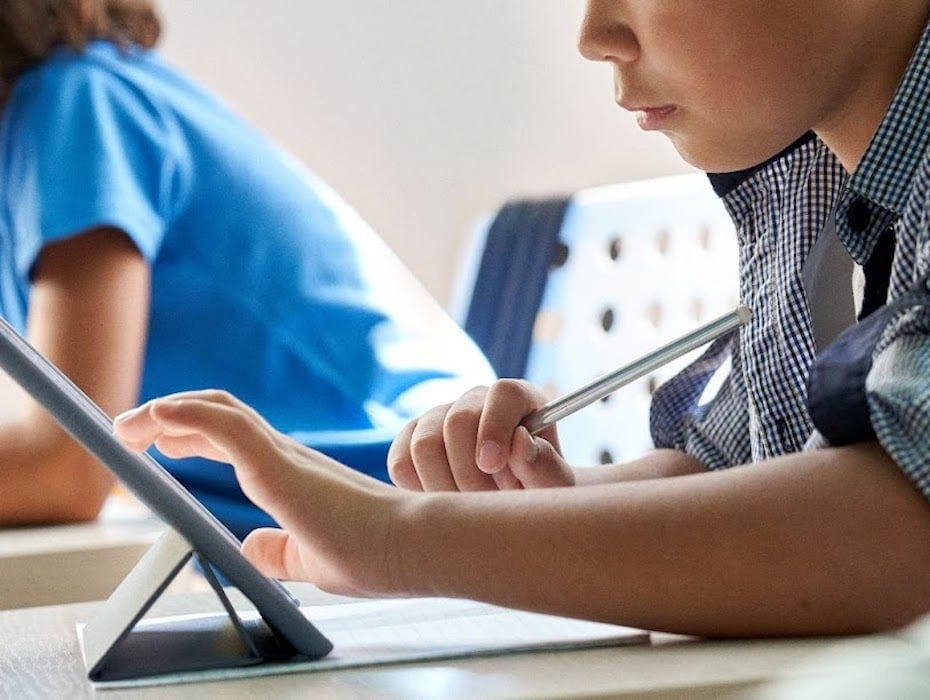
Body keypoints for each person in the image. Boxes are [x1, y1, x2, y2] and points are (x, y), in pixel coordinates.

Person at [114, 0, 930, 637]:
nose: (592, 33)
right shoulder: (799, 180)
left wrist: (405, 537)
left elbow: (894, 531)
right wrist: (541, 507)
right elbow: (734, 474)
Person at [0, 0, 495, 537]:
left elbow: (68, 466)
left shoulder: (78, 103)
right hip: (343, 509)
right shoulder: (64, 111)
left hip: (409, 488)